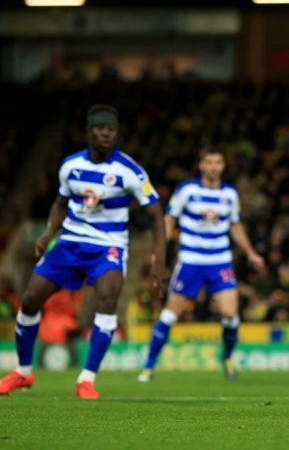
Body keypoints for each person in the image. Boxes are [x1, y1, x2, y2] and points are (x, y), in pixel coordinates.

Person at [0, 105, 168, 399]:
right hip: (69, 243)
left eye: (111, 129)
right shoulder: (70, 166)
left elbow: (156, 216)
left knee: (107, 301)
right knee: (29, 300)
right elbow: (60, 204)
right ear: (88, 131)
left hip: (109, 247)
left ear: (116, 133)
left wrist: (160, 262)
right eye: (101, 128)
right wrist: (48, 233)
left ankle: (86, 380)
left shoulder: (130, 171)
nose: (106, 134)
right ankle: (23, 372)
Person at [138, 147, 264, 382]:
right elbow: (169, 219)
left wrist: (250, 252)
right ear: (201, 165)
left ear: (223, 166)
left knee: (230, 314)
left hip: (220, 260)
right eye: (209, 162)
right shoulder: (186, 190)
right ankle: (148, 366)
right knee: (170, 314)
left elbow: (235, 225)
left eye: (218, 162)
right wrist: (160, 250)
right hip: (191, 260)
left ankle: (226, 358)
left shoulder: (230, 194)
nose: (214, 167)